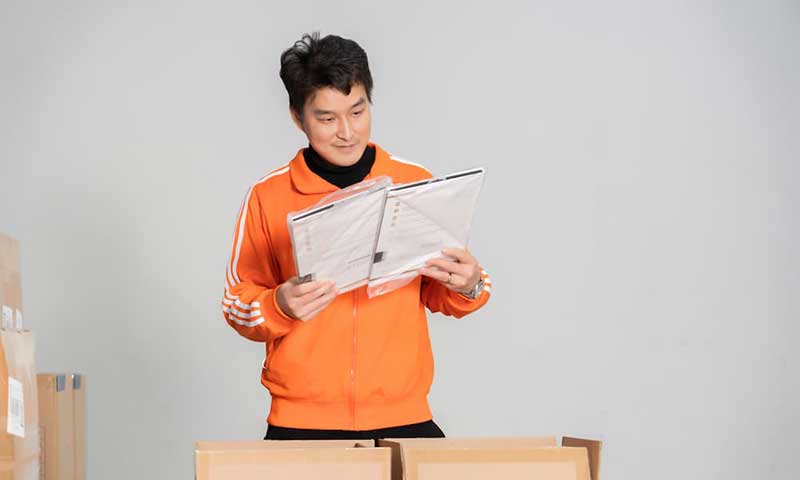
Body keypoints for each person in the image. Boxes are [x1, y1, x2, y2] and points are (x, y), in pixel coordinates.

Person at [222, 32, 492, 441]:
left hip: (404, 417)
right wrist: (278, 303)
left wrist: (469, 284)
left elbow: (442, 293)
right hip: (302, 425)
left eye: (358, 111)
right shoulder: (268, 196)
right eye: (327, 118)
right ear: (298, 117)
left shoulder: (413, 183)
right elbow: (236, 304)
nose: (346, 131)